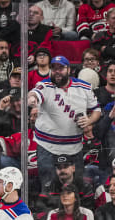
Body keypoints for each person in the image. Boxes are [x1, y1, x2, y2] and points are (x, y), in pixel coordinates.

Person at [28, 55, 102, 188]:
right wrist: (32, 99)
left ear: (69, 70)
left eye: (61, 68)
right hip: (47, 147)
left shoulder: (84, 87)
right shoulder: (44, 85)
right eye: (54, 68)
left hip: (74, 147)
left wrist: (89, 120)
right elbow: (34, 93)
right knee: (48, 187)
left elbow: (96, 110)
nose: (57, 71)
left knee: (76, 187)